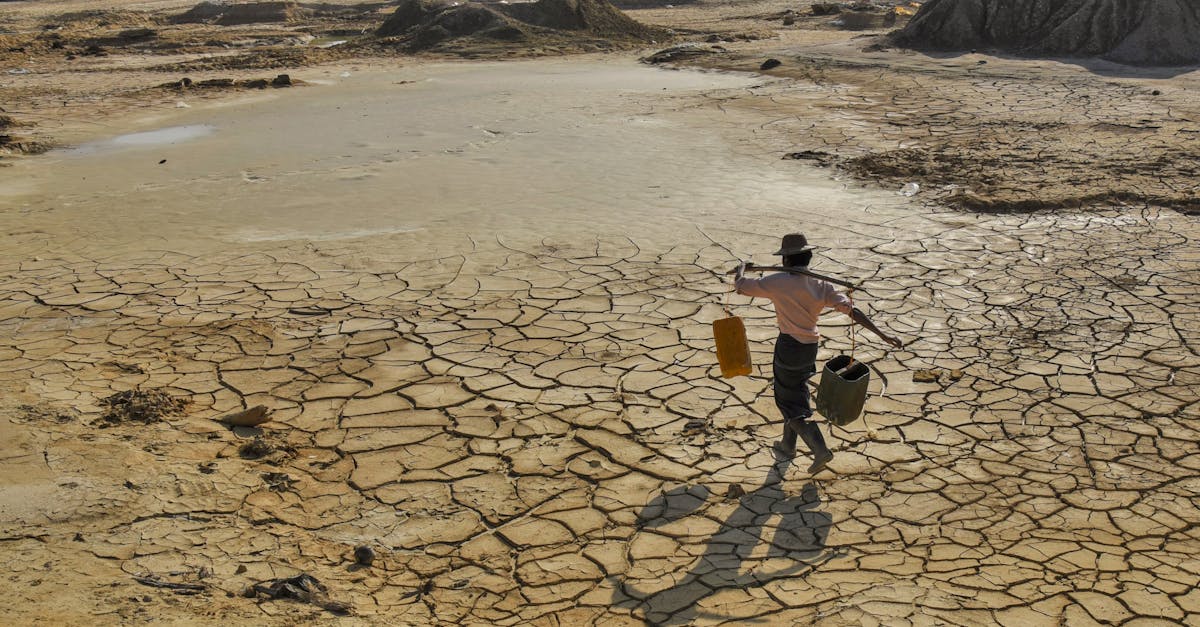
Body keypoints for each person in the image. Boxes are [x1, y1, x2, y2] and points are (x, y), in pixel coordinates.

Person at [735, 233, 903, 473]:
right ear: (808, 257)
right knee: (796, 392)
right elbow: (852, 311)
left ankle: (820, 449)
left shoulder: (777, 282)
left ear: (785, 260)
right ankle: (787, 445)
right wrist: (883, 334)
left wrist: (741, 268)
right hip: (809, 347)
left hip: (789, 346)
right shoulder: (821, 285)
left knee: (787, 399)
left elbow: (741, 287)